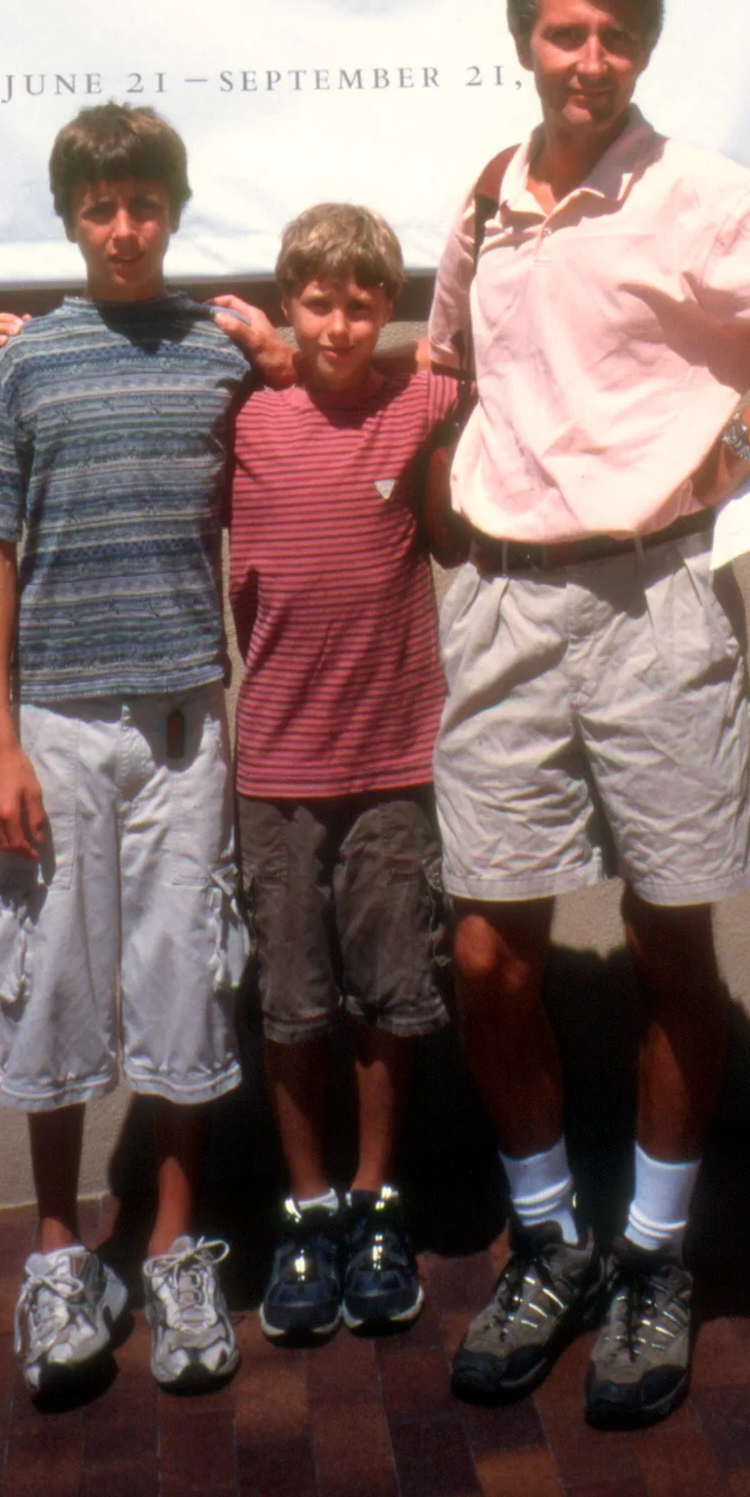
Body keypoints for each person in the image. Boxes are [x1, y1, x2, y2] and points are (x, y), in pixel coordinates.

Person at [427, 0, 750, 1430]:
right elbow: (451, 375)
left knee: (667, 947)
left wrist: (746, 441)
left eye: (620, 40)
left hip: (655, 614)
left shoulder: (699, 195)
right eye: (571, 35)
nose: (594, 63)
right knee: (486, 960)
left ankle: (653, 1259)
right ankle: (549, 1241)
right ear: (525, 37)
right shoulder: (482, 205)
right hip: (505, 610)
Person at [0, 101, 285, 1410]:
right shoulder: (25, 366)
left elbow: (332, 388)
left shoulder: (214, 354)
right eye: (102, 209)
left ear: (175, 210)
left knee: (182, 972)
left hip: (184, 723)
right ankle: (55, 1254)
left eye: (146, 205)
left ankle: (172, 1250)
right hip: (57, 728)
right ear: (73, 218)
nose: (126, 229)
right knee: (53, 980)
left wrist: (268, 340)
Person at [228, 202, 465, 1346]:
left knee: (387, 997)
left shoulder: (419, 401)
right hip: (274, 762)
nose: (336, 322)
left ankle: (375, 1205)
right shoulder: (241, 411)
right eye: (316, 302)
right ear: (287, 307)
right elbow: (152, 346)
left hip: (392, 760)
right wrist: (18, 336)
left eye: (360, 302)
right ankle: (306, 1210)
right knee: (291, 1005)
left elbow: (501, 346)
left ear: (388, 308)